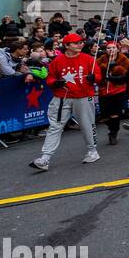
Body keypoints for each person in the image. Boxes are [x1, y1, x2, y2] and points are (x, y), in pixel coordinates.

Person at [28, 33, 101, 171]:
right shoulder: (57, 61)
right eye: (76, 43)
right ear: (67, 46)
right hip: (61, 98)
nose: (80, 44)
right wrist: (56, 83)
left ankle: (92, 151)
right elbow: (49, 79)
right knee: (55, 126)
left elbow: (98, 76)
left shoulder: (88, 59)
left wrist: (94, 78)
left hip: (83, 97)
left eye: (81, 42)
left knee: (87, 124)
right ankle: (45, 158)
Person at [96, 37, 129, 146]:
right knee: (104, 116)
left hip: (118, 89)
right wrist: (104, 68)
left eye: (113, 48)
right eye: (108, 48)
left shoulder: (124, 59)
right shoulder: (101, 59)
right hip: (104, 90)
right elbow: (96, 73)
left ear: (117, 49)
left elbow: (126, 75)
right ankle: (111, 127)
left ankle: (113, 133)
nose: (111, 50)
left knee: (115, 113)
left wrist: (116, 68)